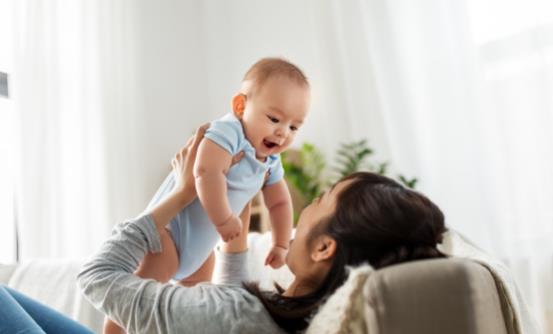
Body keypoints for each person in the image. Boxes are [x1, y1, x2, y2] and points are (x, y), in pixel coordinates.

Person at [0, 125, 447, 334]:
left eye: (319, 202)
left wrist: (175, 196)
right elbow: (225, 317)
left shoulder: (235, 317)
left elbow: (95, 278)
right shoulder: (295, 323)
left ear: (325, 247)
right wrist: (233, 249)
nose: (302, 207)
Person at [104, 56, 310, 333]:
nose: (283, 132)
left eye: (294, 127)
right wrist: (224, 219)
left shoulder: (271, 161)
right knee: (134, 300)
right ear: (240, 106)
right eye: (274, 118)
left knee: (196, 301)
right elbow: (205, 173)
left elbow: (280, 202)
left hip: (201, 250)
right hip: (169, 235)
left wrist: (281, 243)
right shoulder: (228, 131)